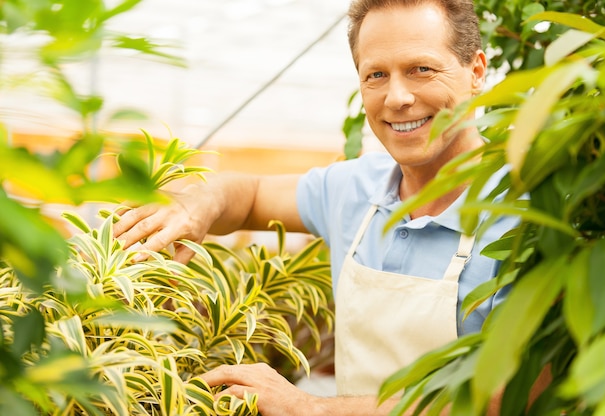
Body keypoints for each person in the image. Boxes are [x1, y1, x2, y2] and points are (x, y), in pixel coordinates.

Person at [113, 0, 521, 414]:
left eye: (421, 69)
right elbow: (251, 194)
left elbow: (518, 394)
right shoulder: (354, 189)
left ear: (476, 72)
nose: (398, 97)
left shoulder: (526, 215)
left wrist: (311, 408)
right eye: (376, 75)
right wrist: (199, 204)